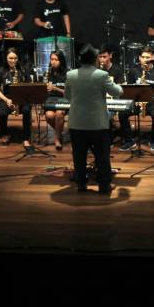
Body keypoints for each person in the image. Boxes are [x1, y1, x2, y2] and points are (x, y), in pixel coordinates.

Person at [65, 44, 123, 194]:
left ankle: (81, 184)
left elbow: (68, 96)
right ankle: (104, 185)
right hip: (97, 123)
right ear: (95, 59)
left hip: (77, 122)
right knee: (102, 156)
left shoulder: (71, 75)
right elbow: (117, 91)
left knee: (79, 155)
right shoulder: (101, 75)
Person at [120, 46, 154, 152]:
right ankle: (129, 141)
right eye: (143, 57)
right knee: (122, 114)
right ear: (139, 58)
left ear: (152, 58)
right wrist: (134, 99)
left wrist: (151, 89)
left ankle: (153, 140)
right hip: (137, 101)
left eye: (148, 57)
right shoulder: (133, 70)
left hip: (152, 101)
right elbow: (129, 88)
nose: (145, 59)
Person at [0, 48, 33, 152]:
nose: (13, 61)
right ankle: (4, 133)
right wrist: (6, 100)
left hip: (22, 98)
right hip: (8, 98)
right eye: (10, 58)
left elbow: (30, 85)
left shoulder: (23, 69)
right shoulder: (1, 71)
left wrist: (21, 99)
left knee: (26, 110)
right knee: (2, 112)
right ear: (6, 58)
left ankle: (26, 138)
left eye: (15, 58)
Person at [44, 50, 68, 150]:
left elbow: (68, 92)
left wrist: (55, 88)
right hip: (50, 99)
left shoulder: (67, 74)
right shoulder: (48, 73)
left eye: (56, 60)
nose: (53, 62)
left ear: (61, 61)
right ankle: (60, 132)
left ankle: (57, 138)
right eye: (52, 59)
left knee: (59, 113)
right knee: (49, 115)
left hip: (63, 99)